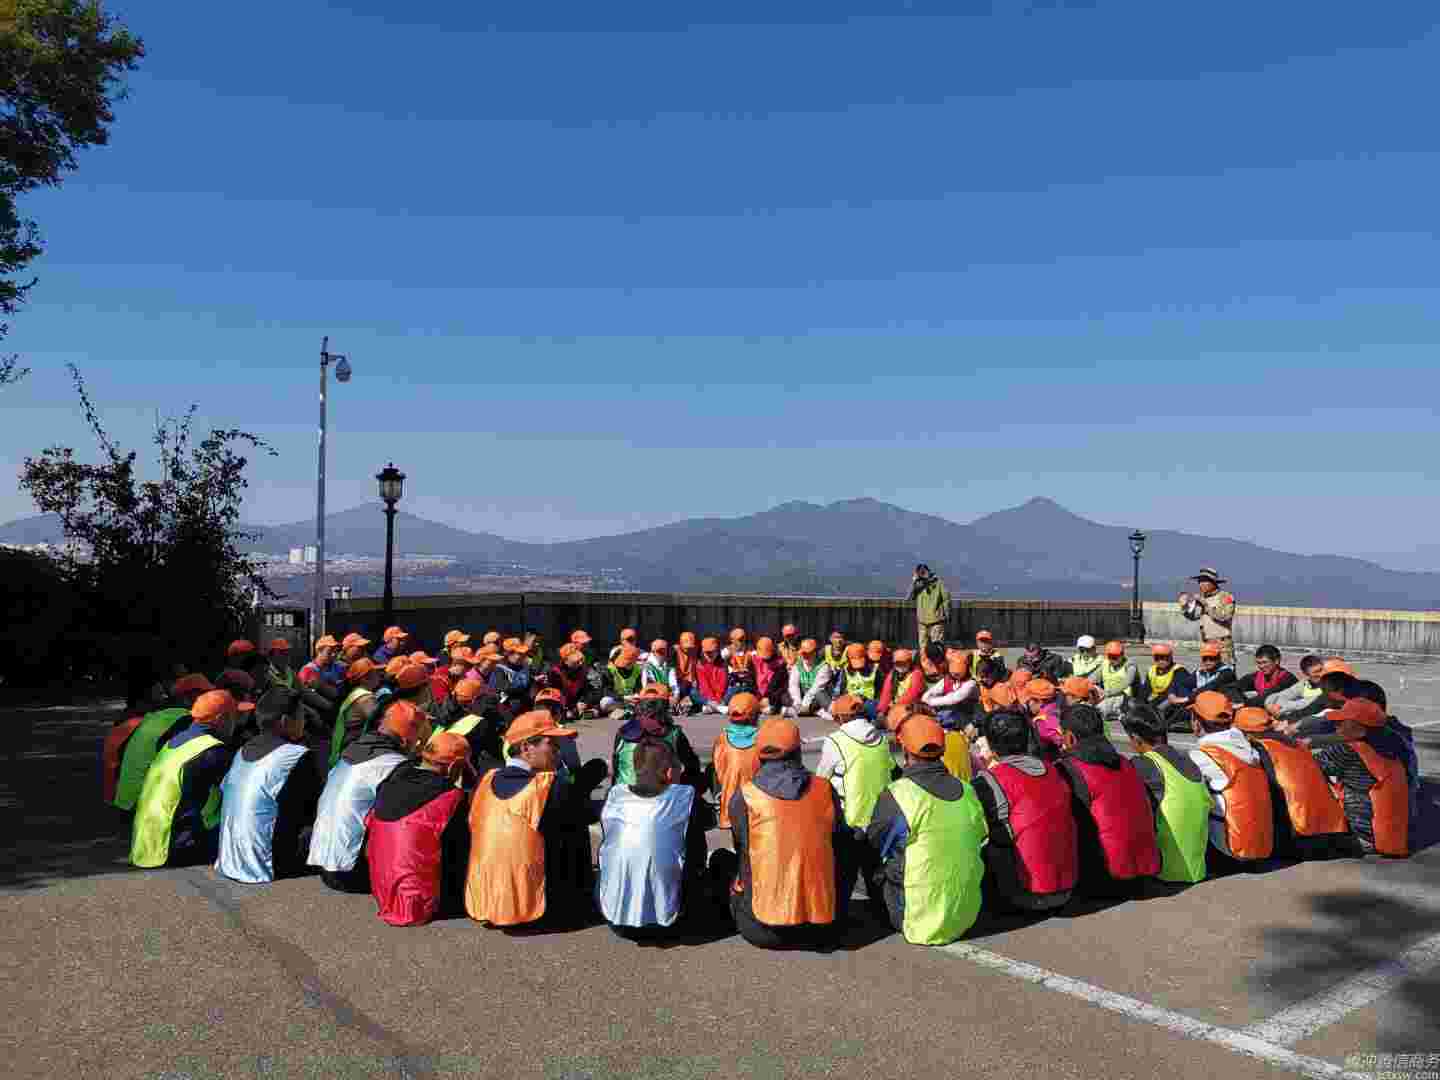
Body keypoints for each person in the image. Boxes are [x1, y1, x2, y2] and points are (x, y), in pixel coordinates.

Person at [464, 709, 609, 929]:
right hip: (536, 908)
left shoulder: (486, 779)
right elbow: (588, 814)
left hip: (485, 899)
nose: (558, 752)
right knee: (575, 826)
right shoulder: (548, 785)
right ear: (526, 748)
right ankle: (576, 900)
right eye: (552, 744)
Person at [864, 714, 987, 944]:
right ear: (942, 750)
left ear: (905, 749)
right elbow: (980, 835)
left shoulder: (898, 793)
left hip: (916, 920)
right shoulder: (968, 790)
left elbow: (875, 842)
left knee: (864, 849)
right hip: (968, 914)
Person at [727, 718, 845, 949]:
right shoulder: (824, 789)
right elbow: (839, 841)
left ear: (759, 754)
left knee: (724, 862)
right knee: (847, 842)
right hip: (823, 928)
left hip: (761, 928)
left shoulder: (745, 796)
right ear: (798, 751)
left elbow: (742, 850)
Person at [308, 699, 429, 893]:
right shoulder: (393, 765)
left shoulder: (350, 751)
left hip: (322, 861)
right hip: (351, 872)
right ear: (407, 740)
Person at [596, 738, 712, 939]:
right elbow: (709, 821)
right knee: (698, 842)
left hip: (616, 918)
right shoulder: (685, 796)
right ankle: (684, 900)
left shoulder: (615, 795)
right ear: (669, 772)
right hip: (672, 922)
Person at [130, 689, 253, 868]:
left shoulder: (176, 742)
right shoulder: (211, 751)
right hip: (178, 847)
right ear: (221, 719)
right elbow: (243, 791)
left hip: (147, 844)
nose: (238, 722)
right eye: (236, 716)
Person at [970, 710, 1077, 912]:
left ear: (991, 745)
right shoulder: (1054, 769)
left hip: (1024, 894)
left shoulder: (990, 780)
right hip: (1067, 887)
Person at [215, 687, 324, 884]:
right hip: (269, 863)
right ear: (285, 721)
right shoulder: (296, 755)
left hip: (229, 859)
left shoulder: (242, 750)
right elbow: (316, 807)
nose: (305, 721)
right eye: (302, 716)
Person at [365, 731, 475, 926]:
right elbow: (459, 851)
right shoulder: (450, 796)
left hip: (382, 893)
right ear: (454, 766)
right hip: (419, 905)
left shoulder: (392, 779)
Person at [1055, 704, 1161, 896]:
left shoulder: (1069, 769)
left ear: (1069, 737)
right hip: (1144, 874)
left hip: (1103, 880)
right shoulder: (1125, 762)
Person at [1230, 706, 1352, 860]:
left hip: (1300, 832)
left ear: (1247, 733)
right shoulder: (1295, 743)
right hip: (1332, 825)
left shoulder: (1260, 749)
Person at [1120, 703, 1212, 885]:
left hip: (1165, 873)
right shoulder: (1189, 762)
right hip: (1198, 868)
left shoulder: (1143, 764)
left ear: (1136, 739)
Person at [1309, 698, 1410, 857]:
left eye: (1342, 722)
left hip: (1362, 836)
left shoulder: (1346, 750)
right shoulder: (1395, 742)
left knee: (1292, 842)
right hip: (1396, 832)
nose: (1336, 725)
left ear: (1358, 729)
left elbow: (1309, 766)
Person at [1187, 691, 1275, 870]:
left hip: (1227, 851)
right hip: (1263, 845)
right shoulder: (1251, 750)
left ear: (1196, 722)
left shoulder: (1201, 756)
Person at [112, 673, 213, 811]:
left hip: (126, 800)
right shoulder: (183, 721)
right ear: (188, 698)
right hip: (142, 807)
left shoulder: (158, 717)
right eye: (205, 695)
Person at [816, 693, 894, 832]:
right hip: (883, 819)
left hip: (851, 823)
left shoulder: (834, 741)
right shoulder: (882, 739)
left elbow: (821, 779)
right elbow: (891, 769)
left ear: (840, 717)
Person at [611, 687, 704, 790]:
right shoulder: (673, 733)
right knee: (698, 777)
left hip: (623, 794)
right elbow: (692, 765)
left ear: (639, 705)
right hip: (661, 796)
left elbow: (616, 767)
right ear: (665, 707)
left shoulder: (623, 731)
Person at [710, 691, 762, 829]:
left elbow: (719, 767)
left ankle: (720, 800)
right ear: (755, 715)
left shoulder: (722, 738)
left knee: (711, 768)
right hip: (758, 810)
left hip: (730, 811)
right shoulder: (762, 738)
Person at [330, 658, 386, 768]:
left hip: (347, 747)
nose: (379, 675)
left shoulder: (356, 693)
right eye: (375, 673)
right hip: (352, 749)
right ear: (364, 679)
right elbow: (382, 724)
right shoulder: (366, 698)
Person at [1179, 568, 1236, 666]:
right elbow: (1194, 616)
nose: (1201, 584)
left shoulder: (1225, 597)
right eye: (1200, 581)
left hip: (1223, 646)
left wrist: (1205, 605)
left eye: (1205, 581)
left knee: (1225, 672)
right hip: (1207, 644)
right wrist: (1184, 607)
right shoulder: (1201, 598)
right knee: (1207, 672)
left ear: (1213, 583)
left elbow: (1225, 616)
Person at [1140, 643, 1196, 733]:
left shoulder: (1179, 671)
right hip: (1159, 700)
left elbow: (1175, 692)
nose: (1161, 661)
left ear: (1170, 657)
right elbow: (1145, 692)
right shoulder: (1151, 670)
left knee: (1160, 709)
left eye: (1164, 657)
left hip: (1175, 702)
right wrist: (1140, 706)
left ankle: (1183, 722)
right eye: (1157, 658)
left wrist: (1153, 707)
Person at [923, 652, 978, 735]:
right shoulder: (947, 679)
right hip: (951, 714)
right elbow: (930, 693)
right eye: (953, 673)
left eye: (957, 674)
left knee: (953, 713)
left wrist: (930, 702)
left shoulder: (971, 683)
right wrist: (926, 701)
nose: (954, 676)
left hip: (969, 716)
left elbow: (954, 698)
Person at [1265, 654, 1328, 721]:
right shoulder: (1304, 684)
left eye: (1321, 670)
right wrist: (1270, 705)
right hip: (1299, 716)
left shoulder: (1329, 685)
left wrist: (1281, 708)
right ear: (1306, 674)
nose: (1321, 674)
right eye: (1316, 673)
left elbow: (1308, 704)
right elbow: (1280, 695)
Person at [830, 642, 880, 721]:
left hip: (869, 701)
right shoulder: (845, 670)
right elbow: (840, 689)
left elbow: (881, 691)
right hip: (851, 702)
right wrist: (836, 702)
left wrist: (864, 698)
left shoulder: (876, 669)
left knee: (870, 706)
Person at [908, 563, 951, 653]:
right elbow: (910, 597)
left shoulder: (938, 583)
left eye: (924, 571)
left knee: (937, 649)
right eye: (920, 572)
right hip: (922, 622)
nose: (922, 573)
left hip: (936, 621)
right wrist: (914, 582)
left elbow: (946, 599)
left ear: (929, 572)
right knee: (923, 649)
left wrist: (945, 615)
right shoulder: (918, 585)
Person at [547, 644, 599, 719]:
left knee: (596, 710)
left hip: (576, 705)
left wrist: (583, 702)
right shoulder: (555, 673)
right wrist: (571, 707)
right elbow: (555, 695)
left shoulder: (582, 670)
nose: (580, 663)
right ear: (565, 660)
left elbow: (586, 690)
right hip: (563, 706)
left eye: (580, 660)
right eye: (576, 661)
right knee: (568, 715)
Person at [787, 638, 834, 719]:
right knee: (787, 694)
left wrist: (805, 704)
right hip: (803, 697)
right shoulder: (797, 665)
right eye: (803, 654)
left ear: (815, 653)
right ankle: (810, 711)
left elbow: (817, 687)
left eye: (808, 654)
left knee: (820, 695)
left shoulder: (824, 666)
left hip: (816, 697)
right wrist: (798, 703)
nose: (805, 656)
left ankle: (825, 711)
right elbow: (793, 685)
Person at [1096, 642, 1139, 723]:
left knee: (1100, 710)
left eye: (1115, 657)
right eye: (1110, 656)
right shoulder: (1105, 663)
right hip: (1107, 695)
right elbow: (1093, 678)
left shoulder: (1130, 665)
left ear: (1122, 655)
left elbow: (1127, 682)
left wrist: (1108, 693)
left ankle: (1111, 712)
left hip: (1125, 698)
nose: (1112, 659)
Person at [600, 645, 644, 715]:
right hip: (617, 700)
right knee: (605, 701)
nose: (629, 664)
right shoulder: (609, 670)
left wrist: (636, 695)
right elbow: (607, 691)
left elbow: (639, 687)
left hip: (632, 700)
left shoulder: (637, 669)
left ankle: (624, 711)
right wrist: (623, 697)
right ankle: (625, 710)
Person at [1024, 678, 1063, 758]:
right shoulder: (1057, 708)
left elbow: (1062, 742)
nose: (1028, 704)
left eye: (1029, 701)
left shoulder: (1041, 721)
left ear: (1039, 701)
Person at [878, 648, 923, 715]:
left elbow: (912, 693)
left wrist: (895, 706)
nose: (901, 666)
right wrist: (882, 710)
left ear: (910, 662)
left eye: (904, 663)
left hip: (911, 706)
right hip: (895, 705)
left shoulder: (916, 674)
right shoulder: (892, 674)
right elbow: (886, 693)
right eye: (898, 663)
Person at [751, 637, 788, 715]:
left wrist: (769, 698)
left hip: (773, 696)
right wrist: (758, 697)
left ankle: (775, 708)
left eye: (767, 657)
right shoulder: (754, 660)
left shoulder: (780, 665)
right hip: (759, 695)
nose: (765, 660)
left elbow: (780, 687)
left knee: (784, 698)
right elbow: (752, 682)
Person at [694, 636, 729, 713]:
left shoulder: (723, 664)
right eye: (707, 653)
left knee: (732, 689)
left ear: (717, 651)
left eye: (712, 652)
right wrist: (712, 700)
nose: (709, 655)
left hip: (721, 696)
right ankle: (718, 708)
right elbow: (704, 686)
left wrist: (718, 699)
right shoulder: (699, 665)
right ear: (702, 652)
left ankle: (712, 708)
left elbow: (723, 685)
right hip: (707, 697)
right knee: (693, 692)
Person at [672, 631, 702, 713]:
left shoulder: (697, 651)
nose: (689, 650)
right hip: (678, 684)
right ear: (680, 644)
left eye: (691, 648)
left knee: (695, 694)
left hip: (692, 683)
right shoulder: (674, 651)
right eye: (687, 648)